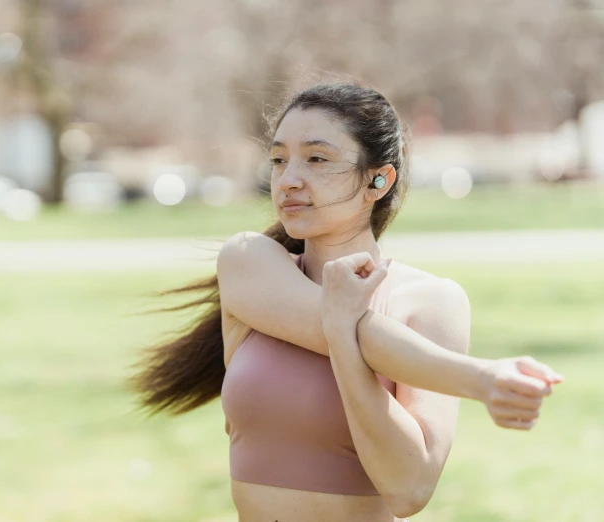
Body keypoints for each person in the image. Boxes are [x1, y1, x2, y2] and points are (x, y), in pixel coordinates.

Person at [128, 81, 563, 522]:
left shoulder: (431, 302)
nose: (289, 179)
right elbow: (339, 325)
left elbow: (409, 490)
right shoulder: (247, 261)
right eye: (279, 160)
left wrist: (342, 337)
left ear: (378, 179)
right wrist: (480, 378)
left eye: (317, 159)